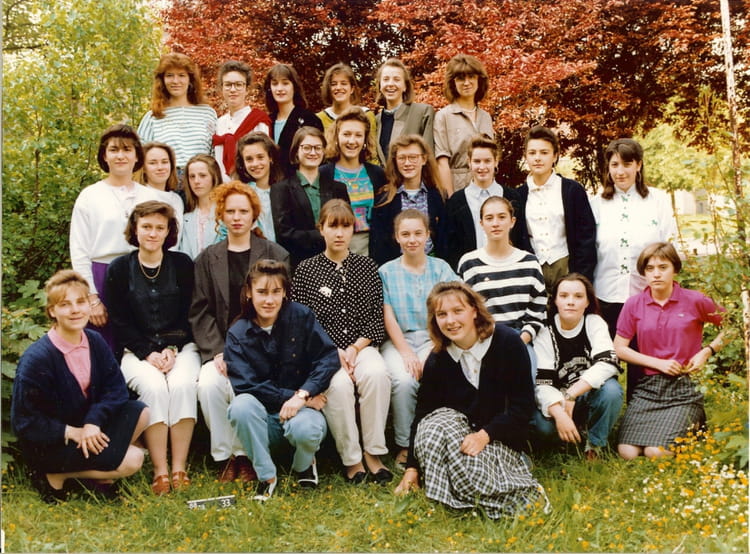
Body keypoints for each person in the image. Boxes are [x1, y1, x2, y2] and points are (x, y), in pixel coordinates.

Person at [393, 281, 545, 519]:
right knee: (433, 425)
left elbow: (522, 407)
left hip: (501, 438)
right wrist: (412, 468)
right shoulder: (438, 359)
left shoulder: (507, 342)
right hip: (461, 439)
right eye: (442, 314)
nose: (450, 321)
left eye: (458, 311)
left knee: (472, 476)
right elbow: (422, 415)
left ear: (474, 310)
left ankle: (505, 476)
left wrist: (485, 435)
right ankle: (452, 483)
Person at [11, 270, 149, 503]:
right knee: (133, 459)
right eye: (65, 304)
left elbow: (116, 389)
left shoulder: (95, 341)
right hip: (53, 442)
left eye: (81, 302)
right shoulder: (37, 359)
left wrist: (93, 422)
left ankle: (96, 472)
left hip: (87, 427)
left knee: (140, 412)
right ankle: (55, 474)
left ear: (88, 305)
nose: (75, 310)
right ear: (52, 311)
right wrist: (72, 432)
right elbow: (25, 422)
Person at [190, 182, 289, 481]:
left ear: (254, 215)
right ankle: (225, 456)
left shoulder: (275, 253)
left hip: (263, 345)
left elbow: (283, 307)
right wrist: (218, 351)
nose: (236, 217)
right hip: (220, 345)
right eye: (230, 211)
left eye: (243, 211)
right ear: (220, 215)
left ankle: (245, 455)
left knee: (245, 389)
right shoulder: (207, 258)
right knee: (209, 385)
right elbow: (200, 310)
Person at [292, 199, 392, 484]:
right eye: (333, 226)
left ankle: (373, 452)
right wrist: (332, 351)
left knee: (376, 374)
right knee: (338, 385)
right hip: (324, 352)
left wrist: (355, 348)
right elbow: (301, 323)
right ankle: (352, 459)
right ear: (321, 228)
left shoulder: (367, 267)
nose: (339, 233)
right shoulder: (306, 270)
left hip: (361, 346)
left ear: (353, 230)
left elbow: (376, 317)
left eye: (346, 227)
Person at [106, 201, 200, 495]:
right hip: (136, 352)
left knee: (182, 385)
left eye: (160, 227)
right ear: (135, 229)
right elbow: (119, 321)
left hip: (181, 347)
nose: (152, 233)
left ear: (169, 232)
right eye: (146, 226)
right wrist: (148, 352)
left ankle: (179, 467)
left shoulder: (182, 264)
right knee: (155, 388)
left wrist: (172, 347)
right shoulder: (120, 269)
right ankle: (160, 470)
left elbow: (191, 312)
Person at [225, 260, 340, 501]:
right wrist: (295, 397)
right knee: (240, 406)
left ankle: (304, 466)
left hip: (301, 415)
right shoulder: (238, 332)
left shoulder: (301, 316)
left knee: (308, 430)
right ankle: (266, 476)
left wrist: (303, 394)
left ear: (285, 292)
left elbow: (328, 358)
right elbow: (246, 385)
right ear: (249, 293)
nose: (269, 300)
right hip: (263, 422)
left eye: (276, 292)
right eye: (262, 292)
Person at [615, 242, 725, 460]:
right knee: (627, 452)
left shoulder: (695, 300)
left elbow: (733, 325)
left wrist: (707, 351)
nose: (656, 274)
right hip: (649, 387)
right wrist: (657, 363)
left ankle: (695, 423)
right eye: (650, 268)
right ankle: (686, 428)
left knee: (655, 453)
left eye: (663, 267)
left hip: (685, 386)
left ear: (675, 269)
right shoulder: (634, 304)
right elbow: (619, 348)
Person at [590, 138, 677, 398]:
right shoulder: (596, 203)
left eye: (627, 164)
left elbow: (669, 245)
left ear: (638, 165)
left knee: (643, 366)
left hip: (646, 297)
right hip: (605, 296)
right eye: (614, 164)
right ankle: (604, 415)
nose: (620, 171)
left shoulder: (658, 200)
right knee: (605, 365)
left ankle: (640, 415)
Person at [70, 124, 160, 350]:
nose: (121, 156)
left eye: (127, 149)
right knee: (104, 348)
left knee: (143, 347)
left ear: (137, 155)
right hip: (102, 277)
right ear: (104, 155)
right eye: (114, 150)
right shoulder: (90, 196)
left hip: (143, 275)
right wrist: (92, 298)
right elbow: (79, 251)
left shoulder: (150, 196)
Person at [378, 210, 457, 466]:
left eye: (417, 233)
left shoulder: (441, 268)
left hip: (435, 338)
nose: (412, 239)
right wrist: (406, 353)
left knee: (433, 373)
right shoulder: (386, 272)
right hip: (398, 340)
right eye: (405, 234)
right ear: (397, 237)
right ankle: (405, 444)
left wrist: (434, 348)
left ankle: (437, 441)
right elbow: (388, 316)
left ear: (427, 235)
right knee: (403, 380)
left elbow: (452, 308)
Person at [531, 274, 623, 460]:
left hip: (586, 395)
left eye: (578, 296)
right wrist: (560, 414)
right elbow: (542, 384)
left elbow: (608, 364)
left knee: (612, 391)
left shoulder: (594, 323)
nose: (571, 302)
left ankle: (595, 445)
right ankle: (565, 440)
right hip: (557, 400)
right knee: (542, 427)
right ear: (555, 300)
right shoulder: (545, 330)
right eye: (564, 296)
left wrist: (571, 394)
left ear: (588, 302)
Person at [457, 196, 547, 374]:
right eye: (489, 218)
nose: (495, 223)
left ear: (512, 222)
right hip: (481, 339)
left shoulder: (529, 262)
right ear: (481, 224)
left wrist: (519, 341)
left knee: (524, 380)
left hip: (520, 338)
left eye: (501, 217)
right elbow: (464, 310)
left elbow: (538, 312)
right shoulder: (469, 263)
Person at [515, 126, 597, 291]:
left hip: (566, 266)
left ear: (555, 156)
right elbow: (516, 239)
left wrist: (580, 277)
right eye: (532, 153)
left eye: (544, 152)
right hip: (532, 270)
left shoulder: (572, 190)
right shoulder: (518, 195)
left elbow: (586, 238)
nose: (538, 158)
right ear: (525, 156)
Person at [270, 126, 350, 268]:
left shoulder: (338, 188)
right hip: (298, 264)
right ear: (296, 151)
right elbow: (284, 234)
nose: (313, 152)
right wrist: (324, 235)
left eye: (318, 148)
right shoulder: (281, 189)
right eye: (307, 148)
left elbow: (346, 225)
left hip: (335, 262)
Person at [441, 135, 524, 270]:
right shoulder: (456, 202)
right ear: (469, 162)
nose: (482, 166)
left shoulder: (512, 197)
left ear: (496, 162)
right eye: (477, 161)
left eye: (487, 161)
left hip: (508, 271)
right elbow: (448, 248)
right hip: (470, 273)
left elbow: (520, 239)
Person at [369, 134, 446, 266]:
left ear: (424, 159)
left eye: (413, 157)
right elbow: (379, 245)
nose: (407, 163)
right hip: (396, 268)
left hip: (432, 266)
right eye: (402, 158)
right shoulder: (384, 199)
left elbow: (445, 239)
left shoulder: (438, 196)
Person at [137, 53, 217, 179]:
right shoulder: (153, 116)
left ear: (190, 80)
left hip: (200, 180)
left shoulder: (207, 113)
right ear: (162, 80)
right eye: (170, 75)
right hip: (167, 181)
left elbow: (215, 152)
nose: (175, 81)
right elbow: (140, 155)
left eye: (181, 75)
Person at [320, 108, 386, 256]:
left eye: (358, 135)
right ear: (337, 137)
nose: (352, 141)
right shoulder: (323, 174)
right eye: (346, 134)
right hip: (334, 247)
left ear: (365, 140)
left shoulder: (377, 174)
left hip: (370, 248)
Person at [433, 54, 494, 194]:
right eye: (460, 78)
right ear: (453, 83)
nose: (466, 83)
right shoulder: (443, 116)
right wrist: (451, 199)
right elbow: (442, 163)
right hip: (458, 188)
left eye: (471, 77)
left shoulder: (486, 117)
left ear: (479, 79)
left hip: (486, 189)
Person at [213, 60, 271, 182]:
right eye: (228, 85)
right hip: (222, 186)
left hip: (251, 185)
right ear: (221, 88)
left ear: (247, 89)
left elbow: (264, 160)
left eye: (238, 85)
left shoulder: (258, 120)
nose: (233, 89)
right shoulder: (219, 123)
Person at [263, 63, 324, 177]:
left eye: (285, 83)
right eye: (275, 84)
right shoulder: (266, 121)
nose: (279, 89)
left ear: (294, 87)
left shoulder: (309, 119)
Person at [374, 58, 434, 166]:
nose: (390, 84)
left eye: (396, 79)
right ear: (380, 86)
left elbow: (429, 158)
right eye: (386, 79)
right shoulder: (375, 121)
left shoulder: (423, 113)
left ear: (405, 86)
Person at [316, 63, 378, 165]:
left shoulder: (366, 115)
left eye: (344, 83)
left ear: (352, 89)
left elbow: (372, 153)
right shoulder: (319, 119)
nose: (338, 87)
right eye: (334, 84)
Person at [234, 132, 283, 242]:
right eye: (249, 159)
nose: (255, 164)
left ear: (270, 157)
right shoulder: (239, 194)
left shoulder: (284, 190)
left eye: (260, 157)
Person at [137, 142, 185, 243]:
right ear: (143, 168)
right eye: (153, 163)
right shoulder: (137, 196)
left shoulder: (177, 200)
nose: (160, 167)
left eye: (164, 162)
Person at [178, 154, 223, 260]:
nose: (196, 181)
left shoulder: (227, 213)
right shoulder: (185, 217)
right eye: (192, 176)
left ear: (214, 177)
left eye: (202, 175)